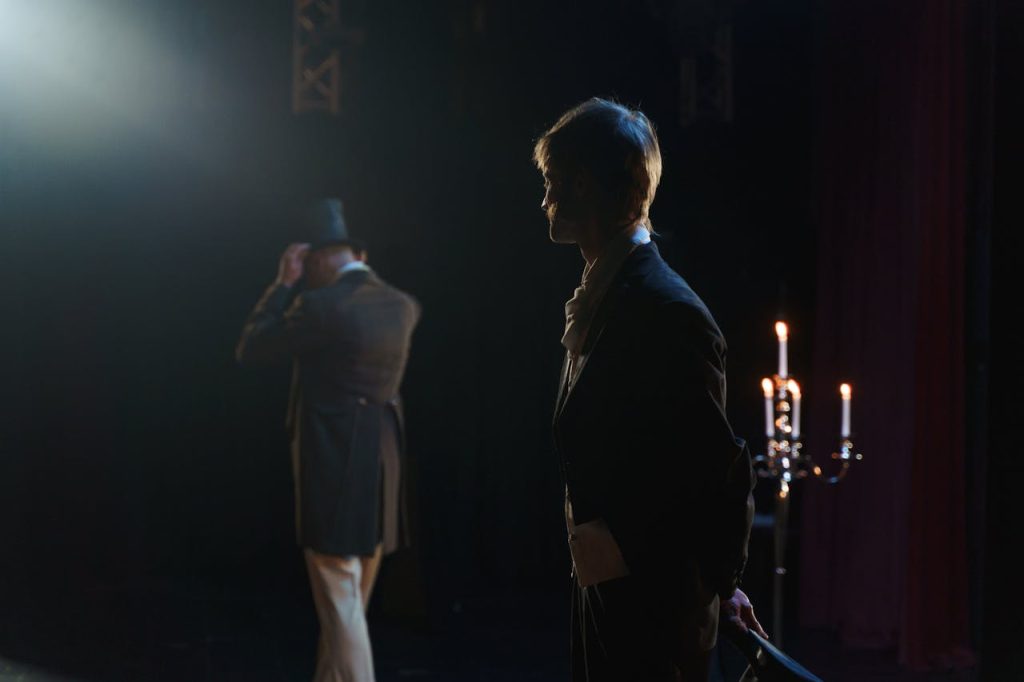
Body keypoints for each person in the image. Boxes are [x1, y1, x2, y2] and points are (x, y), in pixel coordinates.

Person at [535, 98, 766, 681]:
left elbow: (716, 469)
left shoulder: (663, 310)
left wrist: (723, 584)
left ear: (584, 185)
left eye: (553, 182)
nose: (545, 201)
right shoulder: (612, 295)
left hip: (652, 611)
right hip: (612, 593)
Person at [236, 199, 420, 682]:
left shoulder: (319, 305)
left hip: (336, 471)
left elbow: (252, 346)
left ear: (316, 259)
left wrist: (283, 284)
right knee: (350, 604)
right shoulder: (403, 306)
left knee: (341, 606)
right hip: (383, 472)